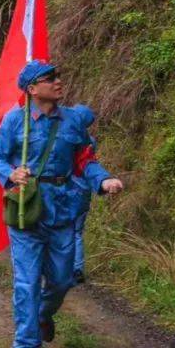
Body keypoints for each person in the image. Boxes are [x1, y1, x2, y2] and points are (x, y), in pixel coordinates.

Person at [0, 61, 122, 348]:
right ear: (32, 89)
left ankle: (42, 314)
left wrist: (104, 179)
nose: (58, 82)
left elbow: (85, 160)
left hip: (62, 210)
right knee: (27, 280)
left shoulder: (73, 121)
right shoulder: (15, 122)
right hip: (26, 209)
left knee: (63, 279)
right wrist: (11, 173)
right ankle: (25, 346)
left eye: (58, 76)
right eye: (49, 79)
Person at [70, 104, 97, 285]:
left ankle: (63, 268)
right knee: (77, 232)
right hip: (85, 190)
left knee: (64, 230)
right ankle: (77, 268)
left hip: (70, 190)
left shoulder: (68, 139)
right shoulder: (91, 141)